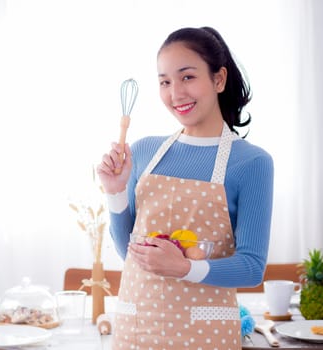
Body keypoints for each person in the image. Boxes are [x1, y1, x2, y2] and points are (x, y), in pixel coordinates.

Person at [97, 27, 274, 349]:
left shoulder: (251, 162)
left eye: (187, 77)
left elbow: (251, 268)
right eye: (165, 81)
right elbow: (130, 255)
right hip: (136, 330)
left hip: (204, 336)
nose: (175, 93)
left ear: (218, 80)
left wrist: (184, 268)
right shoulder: (145, 151)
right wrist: (115, 191)